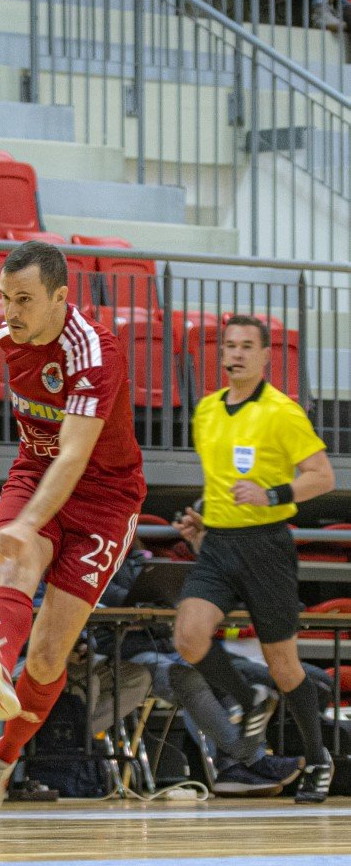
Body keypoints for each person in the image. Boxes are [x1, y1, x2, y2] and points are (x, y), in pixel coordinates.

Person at [0, 240, 146, 824]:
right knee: (17, 561)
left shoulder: (95, 352)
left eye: (24, 299)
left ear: (62, 297)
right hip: (34, 471)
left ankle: (3, 756)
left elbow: (74, 457)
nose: (10, 312)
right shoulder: (11, 338)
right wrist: (25, 524)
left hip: (104, 500)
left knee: (46, 660)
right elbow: (44, 456)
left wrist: (28, 520)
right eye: (5, 298)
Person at [171, 314, 338, 803]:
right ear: (220, 353)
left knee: (284, 665)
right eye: (229, 345)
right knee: (187, 634)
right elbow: (221, 483)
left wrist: (274, 493)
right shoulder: (206, 411)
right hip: (219, 544)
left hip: (267, 545)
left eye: (247, 346)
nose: (236, 354)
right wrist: (202, 520)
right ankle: (248, 699)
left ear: (266, 356)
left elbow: (322, 476)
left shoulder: (282, 411)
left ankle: (318, 759)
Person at [95, 543, 305, 796]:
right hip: (123, 653)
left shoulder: (132, 550)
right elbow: (109, 594)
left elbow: (153, 584)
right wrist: (147, 601)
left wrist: (167, 597)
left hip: (163, 644)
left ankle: (233, 769)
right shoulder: (94, 553)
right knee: (188, 677)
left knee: (219, 674)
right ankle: (252, 757)